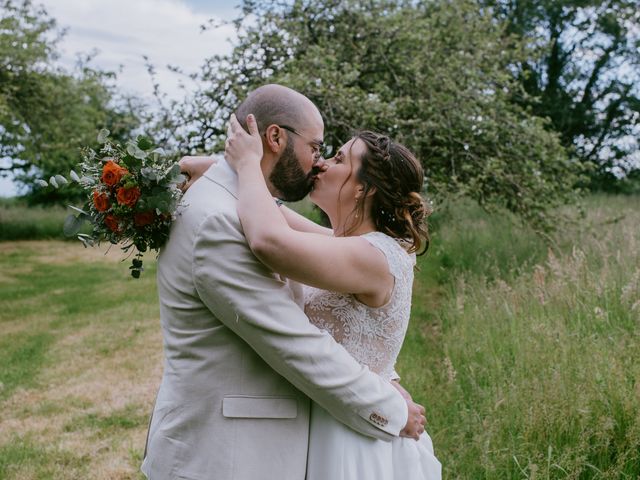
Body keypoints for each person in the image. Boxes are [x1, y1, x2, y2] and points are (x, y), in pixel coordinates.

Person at [141, 84, 426, 480]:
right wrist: (227, 167)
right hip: (231, 454)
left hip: (346, 434)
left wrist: (239, 168)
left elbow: (273, 236)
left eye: (335, 156)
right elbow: (275, 232)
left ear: (363, 187)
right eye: (317, 147)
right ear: (275, 137)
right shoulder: (221, 220)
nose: (320, 163)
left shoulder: (370, 253)